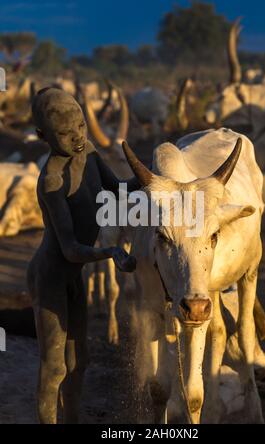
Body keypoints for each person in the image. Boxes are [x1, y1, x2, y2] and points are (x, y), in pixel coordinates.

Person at [27, 87, 137, 423]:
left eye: (81, 128)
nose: (76, 138)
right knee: (54, 365)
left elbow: (119, 187)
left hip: (73, 277)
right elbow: (71, 250)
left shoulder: (88, 153)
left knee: (80, 361)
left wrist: (154, 174)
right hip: (51, 278)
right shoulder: (51, 181)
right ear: (42, 136)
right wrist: (111, 251)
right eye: (64, 133)